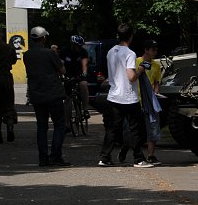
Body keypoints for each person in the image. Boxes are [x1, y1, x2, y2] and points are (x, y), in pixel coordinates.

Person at [98, 24, 153, 168]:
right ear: (131, 36)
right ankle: (139, 159)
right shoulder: (130, 53)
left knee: (112, 129)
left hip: (113, 95)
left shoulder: (111, 52)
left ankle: (104, 157)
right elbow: (131, 77)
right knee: (136, 128)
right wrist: (141, 68)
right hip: (128, 97)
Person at [22, 26, 70, 166]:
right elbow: (62, 70)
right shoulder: (50, 53)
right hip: (53, 93)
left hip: (37, 94)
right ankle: (55, 156)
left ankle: (43, 158)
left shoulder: (27, 55)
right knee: (59, 125)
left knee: (42, 127)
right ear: (43, 38)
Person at [136, 39, 162, 164]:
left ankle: (151, 155)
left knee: (152, 127)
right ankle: (128, 148)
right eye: (153, 50)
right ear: (146, 50)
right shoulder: (136, 62)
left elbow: (156, 82)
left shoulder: (156, 66)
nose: (155, 52)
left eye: (156, 50)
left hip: (149, 101)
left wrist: (156, 93)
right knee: (136, 129)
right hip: (136, 100)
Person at [0, 26, 18, 143]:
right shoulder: (9, 48)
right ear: (1, 35)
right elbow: (13, 61)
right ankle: (10, 127)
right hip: (6, 77)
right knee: (8, 104)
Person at [60, 34, 91, 124]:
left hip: (79, 75)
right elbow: (61, 65)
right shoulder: (64, 51)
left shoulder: (83, 52)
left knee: (83, 85)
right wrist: (62, 76)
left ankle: (85, 109)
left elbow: (84, 65)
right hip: (68, 76)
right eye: (78, 46)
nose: (80, 47)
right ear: (73, 45)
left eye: (81, 46)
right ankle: (67, 124)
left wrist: (84, 73)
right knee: (67, 99)